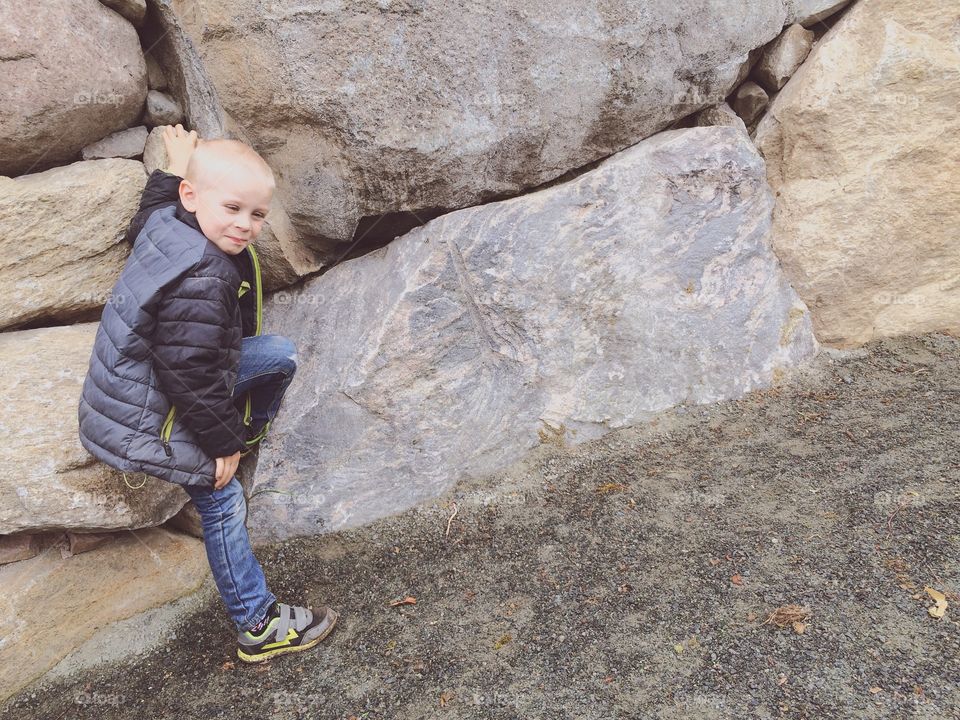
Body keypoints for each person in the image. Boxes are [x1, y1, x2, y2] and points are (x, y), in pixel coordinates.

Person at [77, 124, 338, 663]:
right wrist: (222, 444)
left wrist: (175, 164)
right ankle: (257, 624)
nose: (244, 226)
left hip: (168, 383)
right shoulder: (204, 275)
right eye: (233, 209)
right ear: (192, 199)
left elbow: (147, 214)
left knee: (279, 354)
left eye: (257, 215)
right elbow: (188, 374)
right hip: (154, 417)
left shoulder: (170, 225)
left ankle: (244, 428)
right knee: (222, 503)